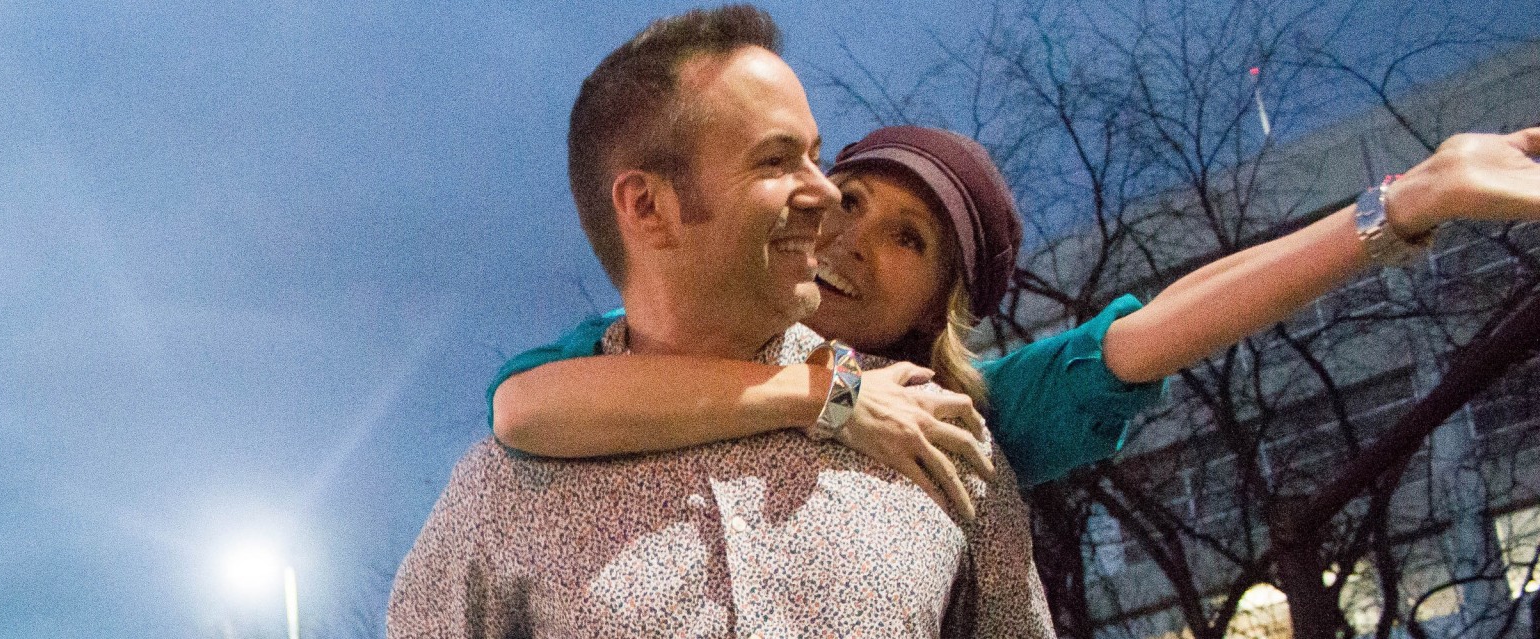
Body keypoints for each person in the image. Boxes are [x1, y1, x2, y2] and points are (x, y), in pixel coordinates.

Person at [487, 121, 1540, 518]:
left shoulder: (960, 421)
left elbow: (1155, 327)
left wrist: (1402, 205)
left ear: (937, 307)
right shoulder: (666, 348)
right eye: (849, 199)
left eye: (907, 239)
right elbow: (527, 406)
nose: (852, 240)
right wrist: (826, 396)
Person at [389, 7, 1052, 637]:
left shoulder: (934, 433)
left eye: (816, 156)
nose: (826, 192)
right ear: (648, 207)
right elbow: (519, 405)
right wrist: (827, 396)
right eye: (776, 160)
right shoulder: (501, 490)